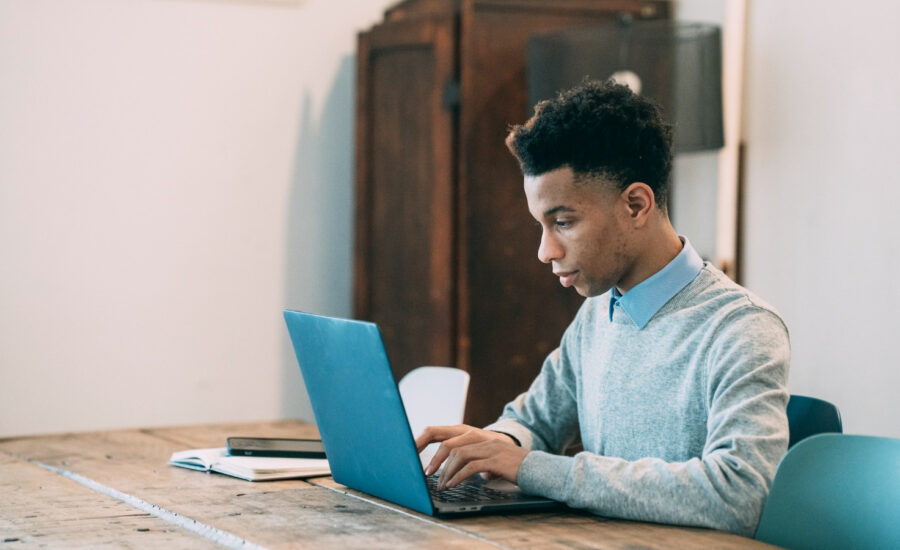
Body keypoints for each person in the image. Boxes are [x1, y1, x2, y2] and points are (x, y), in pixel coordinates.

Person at [414, 80, 790, 536]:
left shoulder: (742, 329)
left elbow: (738, 495)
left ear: (635, 205)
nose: (544, 251)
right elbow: (533, 422)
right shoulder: (597, 311)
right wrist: (493, 445)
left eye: (563, 222)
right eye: (541, 225)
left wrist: (533, 468)